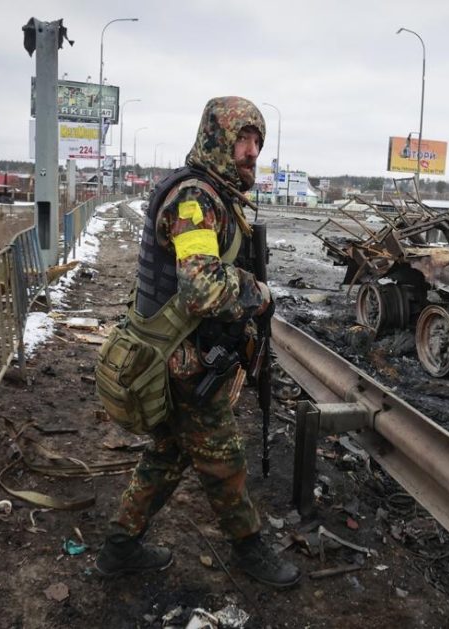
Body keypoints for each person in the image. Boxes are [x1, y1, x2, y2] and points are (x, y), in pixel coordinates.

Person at [95, 96, 300, 588]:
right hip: (179, 359)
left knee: (169, 451)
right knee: (222, 456)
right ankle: (250, 548)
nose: (252, 151)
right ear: (217, 140)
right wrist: (261, 293)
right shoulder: (195, 199)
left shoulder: (216, 193)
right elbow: (202, 285)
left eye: (257, 142)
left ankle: (118, 548)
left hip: (181, 352)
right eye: (242, 140)